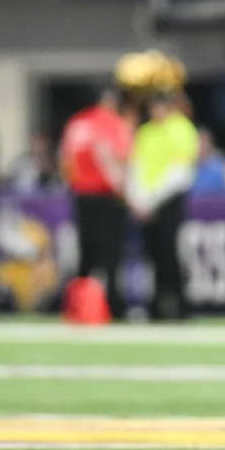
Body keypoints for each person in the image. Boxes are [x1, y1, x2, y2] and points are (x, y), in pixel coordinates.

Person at [59, 86, 132, 320]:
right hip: (106, 197)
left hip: (82, 196)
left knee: (86, 255)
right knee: (111, 255)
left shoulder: (77, 123)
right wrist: (124, 192)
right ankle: (111, 307)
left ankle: (77, 307)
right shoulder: (114, 124)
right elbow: (119, 160)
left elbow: (65, 160)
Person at [125, 91, 199, 320]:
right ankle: (156, 307)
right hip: (146, 203)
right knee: (153, 256)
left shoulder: (181, 128)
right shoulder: (146, 131)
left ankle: (178, 307)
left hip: (168, 201)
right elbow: (136, 167)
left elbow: (179, 173)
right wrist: (137, 200)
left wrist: (150, 201)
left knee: (171, 255)